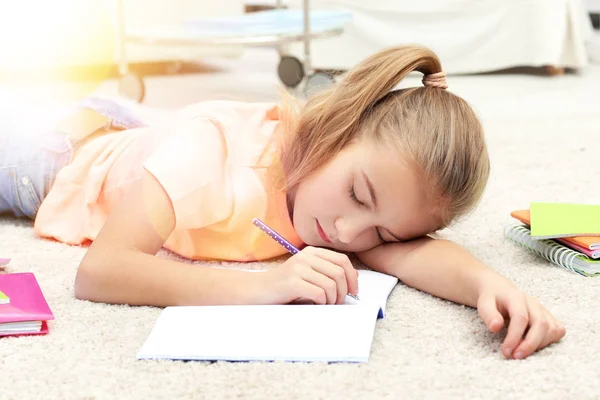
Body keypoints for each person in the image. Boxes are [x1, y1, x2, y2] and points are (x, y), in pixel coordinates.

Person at [0, 46, 565, 359]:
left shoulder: (354, 210)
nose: (347, 233)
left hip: (140, 133)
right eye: (357, 195)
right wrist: (262, 286)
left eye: (383, 234)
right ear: (334, 125)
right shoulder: (212, 156)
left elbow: (417, 253)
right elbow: (101, 272)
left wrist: (496, 288)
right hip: (56, 160)